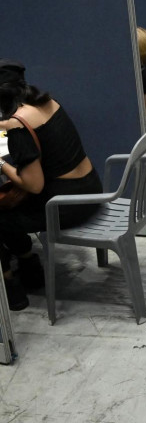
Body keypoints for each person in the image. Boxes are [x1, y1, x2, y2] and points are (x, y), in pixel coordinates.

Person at [0, 60, 102, 311]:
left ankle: (12, 288)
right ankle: (28, 263)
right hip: (88, 188)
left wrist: (1, 164)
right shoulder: (46, 102)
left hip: (66, 205)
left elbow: (33, 186)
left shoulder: (19, 124)